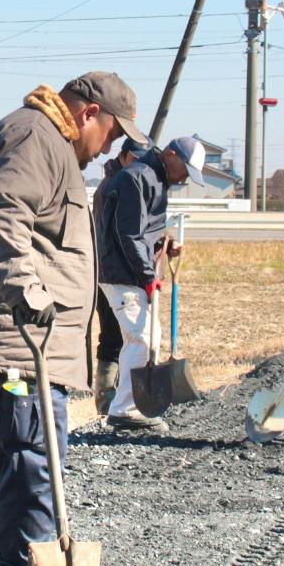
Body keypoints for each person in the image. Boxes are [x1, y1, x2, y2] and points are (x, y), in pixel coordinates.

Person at [0, 72, 145, 566]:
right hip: (15, 337)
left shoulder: (45, 139)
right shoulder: (35, 138)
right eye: (114, 135)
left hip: (8, 334)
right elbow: (4, 213)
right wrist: (25, 290)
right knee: (32, 455)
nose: (109, 150)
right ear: (89, 113)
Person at [95, 135, 205, 433]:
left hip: (134, 272)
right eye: (184, 169)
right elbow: (128, 234)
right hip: (121, 273)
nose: (184, 178)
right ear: (170, 154)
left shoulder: (155, 178)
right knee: (141, 338)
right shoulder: (136, 178)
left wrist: (164, 243)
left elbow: (146, 230)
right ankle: (124, 411)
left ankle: (125, 407)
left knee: (147, 338)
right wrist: (147, 276)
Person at [92, 139, 144, 401]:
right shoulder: (112, 187)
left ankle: (122, 394)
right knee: (113, 336)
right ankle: (106, 397)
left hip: (125, 271)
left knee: (130, 336)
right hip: (110, 271)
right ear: (124, 156)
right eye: (136, 158)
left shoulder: (133, 182)